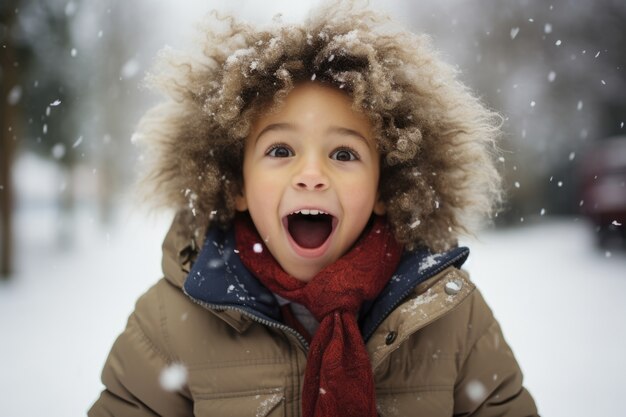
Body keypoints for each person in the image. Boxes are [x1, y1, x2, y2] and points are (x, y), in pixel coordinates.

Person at [89, 2, 539, 416]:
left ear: (386, 186)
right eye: (281, 150)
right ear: (237, 183)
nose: (311, 174)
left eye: (344, 154)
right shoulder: (172, 324)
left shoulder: (448, 316)